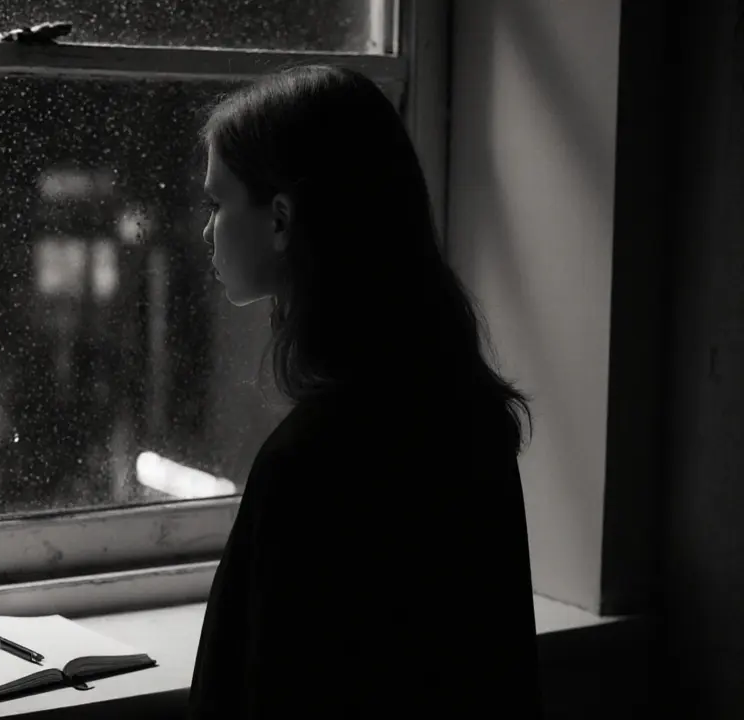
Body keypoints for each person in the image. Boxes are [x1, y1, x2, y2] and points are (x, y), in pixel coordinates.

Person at [187, 64, 542, 718]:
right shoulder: (466, 418)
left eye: (217, 205)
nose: (206, 230)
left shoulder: (308, 462)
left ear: (280, 220)